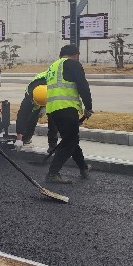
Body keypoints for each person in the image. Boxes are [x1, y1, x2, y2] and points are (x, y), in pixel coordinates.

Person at [44, 44, 94, 184]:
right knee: (70, 141)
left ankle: (83, 168)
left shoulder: (53, 67)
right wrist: (88, 107)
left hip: (53, 109)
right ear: (76, 55)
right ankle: (52, 174)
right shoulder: (73, 64)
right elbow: (83, 85)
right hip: (66, 108)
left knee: (70, 139)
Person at [13, 73, 57, 150]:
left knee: (53, 119)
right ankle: (26, 138)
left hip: (49, 95)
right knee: (32, 116)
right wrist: (19, 138)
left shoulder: (54, 90)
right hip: (38, 95)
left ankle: (52, 145)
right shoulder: (29, 94)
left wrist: (44, 107)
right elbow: (22, 116)